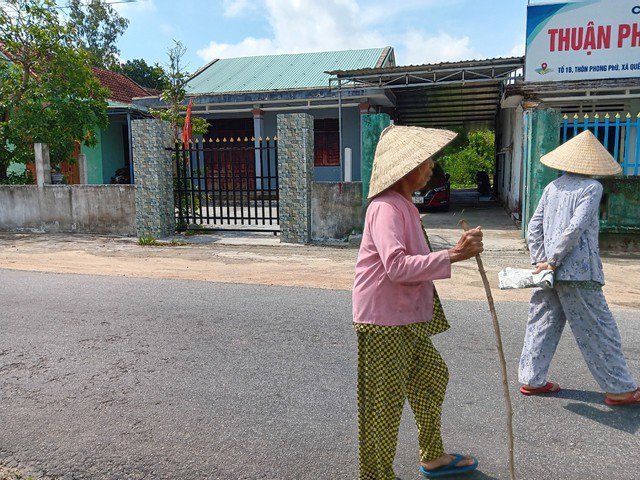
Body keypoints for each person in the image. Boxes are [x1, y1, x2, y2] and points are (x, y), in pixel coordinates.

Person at [352, 125, 484, 480]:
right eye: (425, 161)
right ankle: (377, 476)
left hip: (403, 318)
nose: (431, 167)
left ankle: (431, 454)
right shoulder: (385, 208)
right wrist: (454, 255)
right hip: (383, 321)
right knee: (384, 406)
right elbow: (395, 266)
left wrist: (455, 252)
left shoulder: (404, 206)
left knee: (432, 376)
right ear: (406, 168)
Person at [519, 129, 639, 405]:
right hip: (578, 273)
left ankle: (532, 380)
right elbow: (576, 227)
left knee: (541, 323)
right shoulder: (592, 188)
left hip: (547, 272)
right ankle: (619, 389)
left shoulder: (552, 187)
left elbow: (533, 227)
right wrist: (554, 259)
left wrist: (542, 261)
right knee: (598, 329)